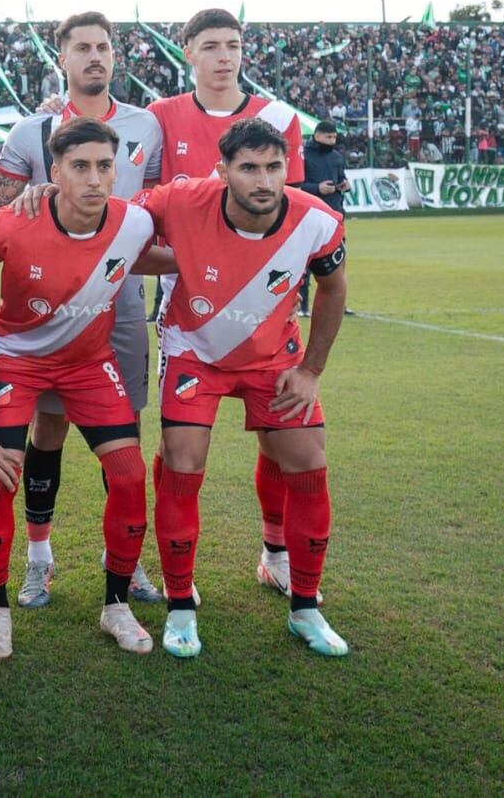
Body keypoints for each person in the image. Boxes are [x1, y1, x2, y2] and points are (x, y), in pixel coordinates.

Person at [0, 117, 161, 661]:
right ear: (54, 172)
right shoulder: (16, 222)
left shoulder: (136, 223)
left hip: (88, 364)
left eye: (105, 166)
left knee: (128, 477)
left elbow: (188, 245)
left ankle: (115, 604)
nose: (95, 179)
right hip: (15, 360)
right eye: (80, 167)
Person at [135, 118, 349, 658]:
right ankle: (180, 603)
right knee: (183, 459)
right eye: (249, 168)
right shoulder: (181, 200)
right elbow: (114, 229)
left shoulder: (318, 221)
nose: (264, 180)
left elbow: (333, 287)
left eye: (274, 167)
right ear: (222, 170)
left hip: (275, 358)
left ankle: (305, 608)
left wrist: (312, 370)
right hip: (194, 353)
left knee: (306, 458)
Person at [0, 11, 164, 609]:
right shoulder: (30, 134)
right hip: (48, 313)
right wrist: (26, 191)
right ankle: (39, 559)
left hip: (122, 300)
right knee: (48, 428)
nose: (94, 57)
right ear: (60, 58)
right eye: (81, 47)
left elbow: (157, 212)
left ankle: (126, 565)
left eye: (103, 47)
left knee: (124, 429)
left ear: (115, 56)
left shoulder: (145, 126)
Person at [148, 8, 306, 602]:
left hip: (264, 299)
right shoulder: (160, 116)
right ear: (186, 50)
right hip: (186, 299)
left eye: (234, 45)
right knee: (178, 440)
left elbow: (288, 208)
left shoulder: (277, 118)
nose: (224, 56)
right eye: (210, 45)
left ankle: (276, 552)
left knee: (277, 436)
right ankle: (173, 562)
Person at [298, 120, 353, 317]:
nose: (332, 141)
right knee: (305, 264)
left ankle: (339, 304)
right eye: (329, 137)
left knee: (338, 263)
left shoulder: (337, 157)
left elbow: (341, 177)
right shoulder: (303, 155)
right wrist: (317, 189)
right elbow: (296, 185)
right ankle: (301, 305)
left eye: (334, 137)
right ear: (318, 135)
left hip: (335, 216)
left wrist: (345, 184)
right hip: (310, 217)